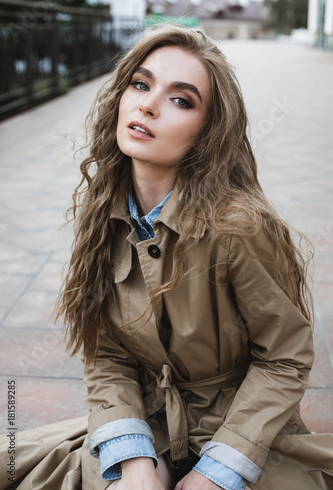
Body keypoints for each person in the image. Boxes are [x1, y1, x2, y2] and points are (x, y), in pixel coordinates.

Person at [0, 24, 332, 490]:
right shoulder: (103, 215)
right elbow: (107, 355)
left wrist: (219, 470)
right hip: (149, 421)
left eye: (181, 99)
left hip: (244, 431)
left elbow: (284, 358)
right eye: (140, 83)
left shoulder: (241, 226)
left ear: (207, 133)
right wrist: (133, 459)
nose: (147, 104)